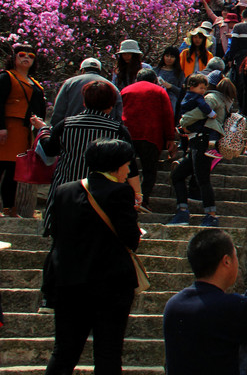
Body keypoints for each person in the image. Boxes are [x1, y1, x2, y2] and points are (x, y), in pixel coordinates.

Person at [43, 139, 142, 374]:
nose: (128, 171)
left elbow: (57, 232)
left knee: (65, 351)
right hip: (109, 285)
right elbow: (131, 238)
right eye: (126, 165)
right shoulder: (120, 192)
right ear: (116, 166)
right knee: (108, 353)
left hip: (68, 282)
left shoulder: (64, 190)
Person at [163, 228, 247, 375]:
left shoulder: (173, 305)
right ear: (227, 261)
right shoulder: (231, 307)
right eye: (235, 255)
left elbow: (225, 327)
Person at [38, 81, 141, 231]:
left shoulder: (66, 125)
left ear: (84, 102)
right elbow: (130, 166)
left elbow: (50, 150)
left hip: (66, 191)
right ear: (111, 104)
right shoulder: (117, 130)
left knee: (61, 234)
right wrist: (137, 193)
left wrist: (43, 131)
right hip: (103, 196)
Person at [168, 75, 235, 227]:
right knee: (179, 175)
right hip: (199, 141)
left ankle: (209, 215)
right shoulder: (224, 100)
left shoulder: (211, 97)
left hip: (201, 141)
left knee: (202, 179)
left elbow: (199, 113)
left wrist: (183, 122)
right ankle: (183, 211)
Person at [0, 44, 46, 217]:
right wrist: (1, 127)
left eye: (31, 56)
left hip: (23, 131)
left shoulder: (34, 83)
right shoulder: (6, 77)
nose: (26, 58)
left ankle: (9, 208)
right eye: (22, 54)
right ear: (14, 57)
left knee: (13, 169)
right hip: (8, 128)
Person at [120, 69, 176, 210]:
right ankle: (143, 200)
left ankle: (128, 199)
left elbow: (118, 112)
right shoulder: (159, 91)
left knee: (127, 169)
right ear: (155, 80)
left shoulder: (126, 90)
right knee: (149, 170)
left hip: (127, 135)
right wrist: (170, 137)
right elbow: (168, 115)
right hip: (151, 135)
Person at [50, 58, 122, 127]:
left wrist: (57, 129)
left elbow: (59, 110)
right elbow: (118, 114)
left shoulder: (69, 83)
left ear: (82, 70)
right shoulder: (110, 86)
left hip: (72, 130)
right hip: (104, 132)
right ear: (99, 71)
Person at [154, 46, 185, 113]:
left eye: (172, 57)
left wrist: (171, 86)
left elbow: (182, 92)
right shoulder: (155, 70)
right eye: (167, 56)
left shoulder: (179, 73)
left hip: (170, 102)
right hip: (155, 99)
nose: (169, 59)